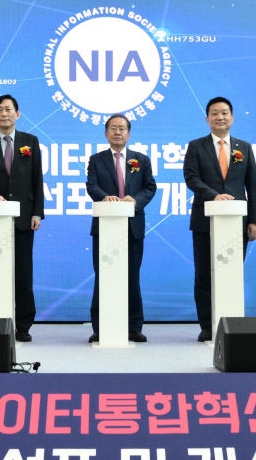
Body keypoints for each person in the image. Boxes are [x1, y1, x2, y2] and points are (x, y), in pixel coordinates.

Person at [184, 97, 256, 342]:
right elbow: (191, 178)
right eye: (215, 113)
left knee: (231, 272)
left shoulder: (244, 147)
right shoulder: (196, 146)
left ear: (232, 117)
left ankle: (232, 323)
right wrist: (214, 195)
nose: (220, 117)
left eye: (225, 113)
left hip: (237, 222)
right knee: (204, 274)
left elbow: (253, 185)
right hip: (204, 220)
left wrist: (255, 220)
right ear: (207, 118)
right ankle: (208, 326)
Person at [0, 95, 44, 342]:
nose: (4, 114)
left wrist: (37, 212)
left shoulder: (30, 141)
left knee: (23, 272)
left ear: (18, 113)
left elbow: (37, 178)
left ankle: (23, 325)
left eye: (8, 109)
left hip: (25, 217)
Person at [85, 114, 157, 343]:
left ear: (129, 133)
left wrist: (135, 201)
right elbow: (92, 185)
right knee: (103, 277)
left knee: (132, 277)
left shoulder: (141, 160)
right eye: (113, 128)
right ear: (106, 133)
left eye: (122, 128)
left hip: (133, 226)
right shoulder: (96, 160)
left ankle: (133, 327)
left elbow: (150, 187)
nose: (118, 132)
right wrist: (105, 197)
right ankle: (100, 328)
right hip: (104, 227)